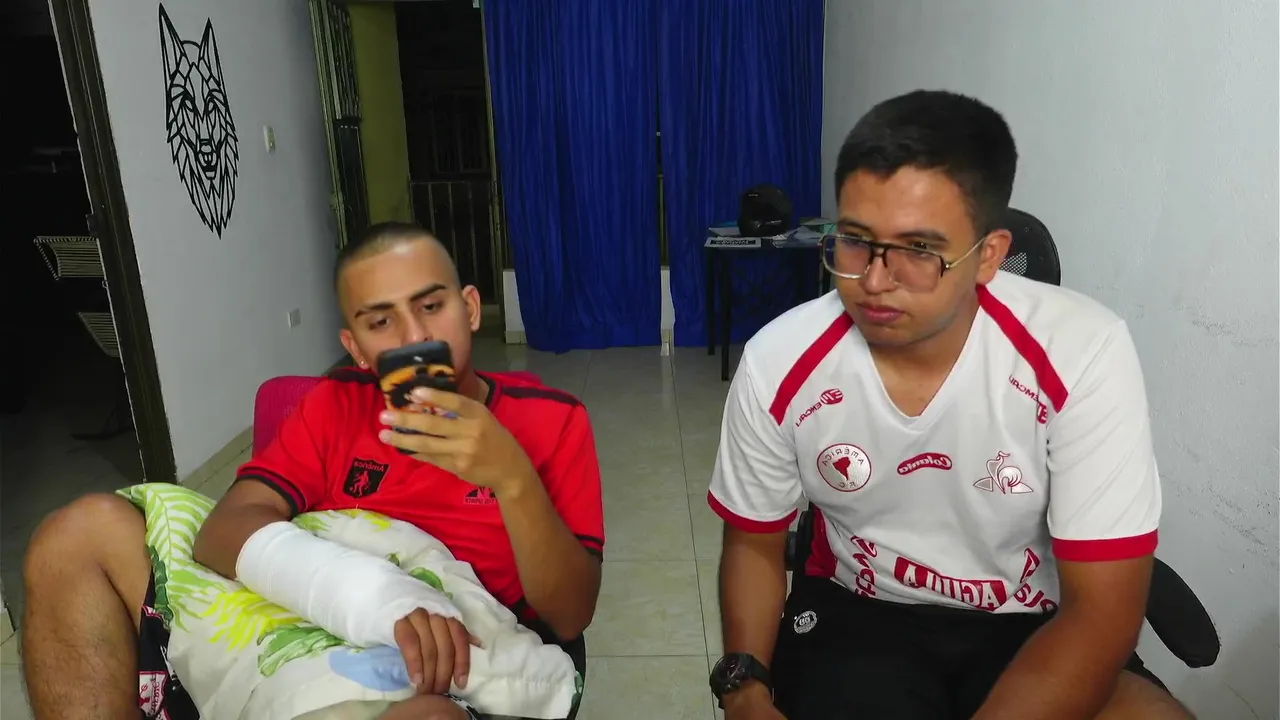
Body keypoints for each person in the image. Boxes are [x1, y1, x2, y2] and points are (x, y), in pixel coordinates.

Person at [706, 90, 1194, 720]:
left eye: (918, 250)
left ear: (989, 255)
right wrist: (744, 689)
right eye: (854, 240)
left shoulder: (1082, 352)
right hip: (861, 615)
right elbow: (753, 542)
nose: (873, 281)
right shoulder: (781, 358)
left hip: (1036, 620)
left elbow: (1101, 611)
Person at [21, 222, 605, 720]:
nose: (415, 337)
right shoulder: (334, 405)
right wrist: (375, 596)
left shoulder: (552, 420)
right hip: (306, 621)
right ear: (357, 348)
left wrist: (512, 478)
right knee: (74, 534)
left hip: (443, 666)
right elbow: (223, 532)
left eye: (431, 307)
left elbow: (569, 615)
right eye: (381, 323)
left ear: (470, 308)